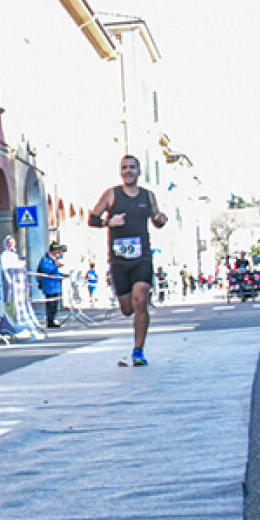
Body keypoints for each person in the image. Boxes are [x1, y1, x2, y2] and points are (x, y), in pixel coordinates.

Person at [88, 154, 168, 367]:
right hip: (119, 260)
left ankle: (138, 350)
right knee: (127, 308)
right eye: (124, 168)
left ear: (139, 171)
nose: (128, 171)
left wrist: (160, 219)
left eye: (132, 167)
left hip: (142, 256)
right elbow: (92, 219)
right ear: (120, 172)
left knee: (140, 300)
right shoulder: (111, 195)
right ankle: (136, 318)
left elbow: (156, 217)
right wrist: (108, 222)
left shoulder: (147, 196)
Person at [37, 243, 64, 328]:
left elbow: (56, 271)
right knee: (50, 304)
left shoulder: (56, 259)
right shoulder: (45, 259)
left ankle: (54, 319)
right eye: (56, 251)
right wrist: (56, 266)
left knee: (55, 304)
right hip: (49, 285)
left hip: (56, 285)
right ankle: (50, 321)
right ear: (52, 251)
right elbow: (47, 270)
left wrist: (61, 274)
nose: (57, 253)